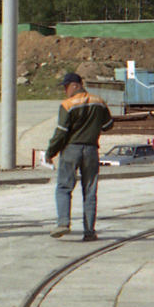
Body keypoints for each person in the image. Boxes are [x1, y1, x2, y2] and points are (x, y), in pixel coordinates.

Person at [45, 72, 114, 242]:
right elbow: (108, 125)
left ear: (76, 85)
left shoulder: (67, 105)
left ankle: (63, 223)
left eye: (66, 87)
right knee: (90, 191)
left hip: (71, 150)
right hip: (91, 150)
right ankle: (89, 231)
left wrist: (50, 153)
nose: (65, 91)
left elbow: (61, 133)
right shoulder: (99, 101)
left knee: (64, 188)